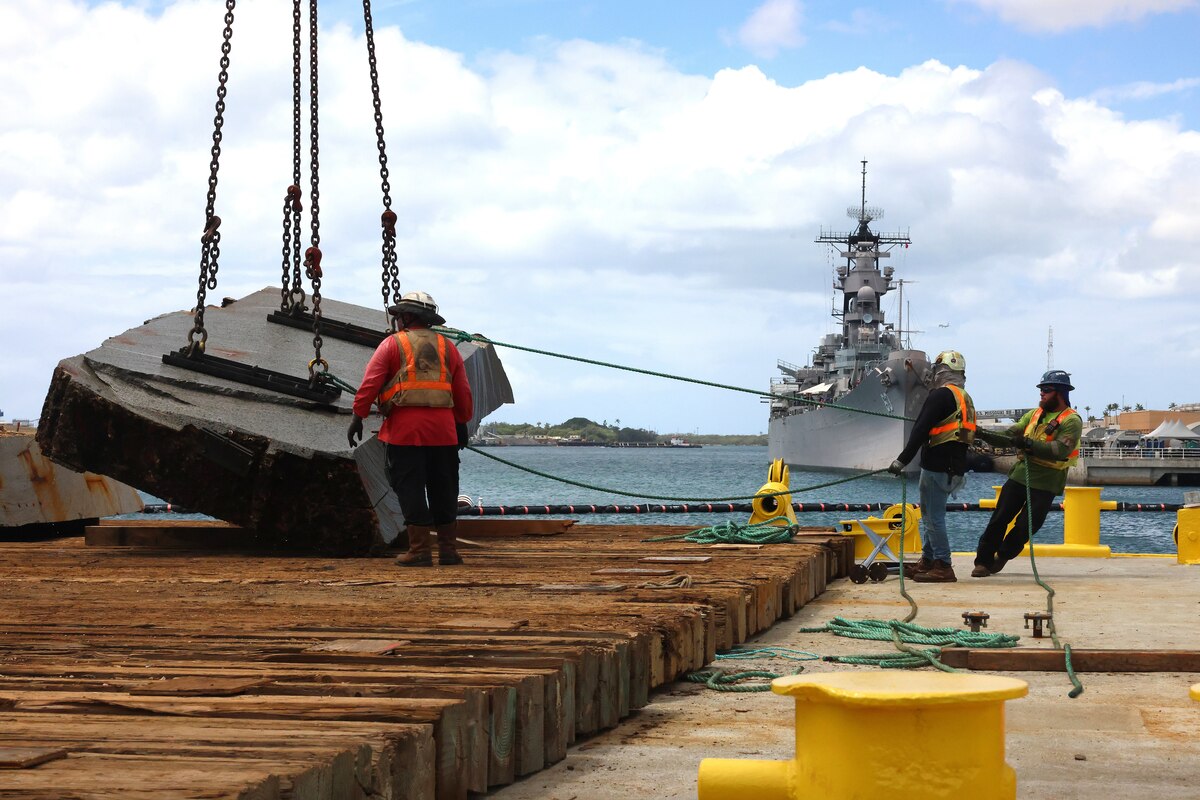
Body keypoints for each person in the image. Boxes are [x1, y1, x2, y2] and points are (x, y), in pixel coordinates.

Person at [347, 291, 474, 567]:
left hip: (405, 432)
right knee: (444, 488)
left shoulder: (392, 345)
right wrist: (461, 422)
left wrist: (358, 416)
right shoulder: (448, 347)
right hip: (444, 433)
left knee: (410, 487)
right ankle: (448, 551)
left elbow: (370, 383)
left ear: (406, 317)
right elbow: (462, 391)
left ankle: (419, 550)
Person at [970, 370, 1082, 577]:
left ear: (1060, 393)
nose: (1042, 394)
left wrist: (1029, 443)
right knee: (999, 519)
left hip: (1047, 482)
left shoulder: (1071, 421)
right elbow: (1008, 436)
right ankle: (983, 562)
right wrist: (980, 433)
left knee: (1026, 526)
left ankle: (1002, 556)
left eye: (1046, 390)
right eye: (1041, 390)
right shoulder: (1033, 415)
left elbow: (1061, 450)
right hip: (1021, 475)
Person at [887, 350, 977, 583]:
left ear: (940, 372)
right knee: (929, 516)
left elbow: (920, 429)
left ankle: (943, 565)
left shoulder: (939, 396)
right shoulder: (964, 397)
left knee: (933, 518)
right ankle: (928, 560)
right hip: (954, 469)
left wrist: (901, 461)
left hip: (937, 466)